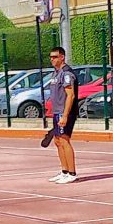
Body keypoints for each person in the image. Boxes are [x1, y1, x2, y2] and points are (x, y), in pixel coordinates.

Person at [43, 46, 80, 184]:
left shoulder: (66, 73)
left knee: (64, 140)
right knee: (57, 141)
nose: (52, 59)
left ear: (62, 57)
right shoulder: (56, 73)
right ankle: (64, 171)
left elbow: (70, 95)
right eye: (51, 57)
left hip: (65, 112)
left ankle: (72, 173)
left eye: (55, 57)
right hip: (56, 111)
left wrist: (65, 115)